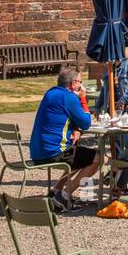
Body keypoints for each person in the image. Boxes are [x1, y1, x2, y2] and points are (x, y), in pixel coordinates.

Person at [29, 66, 99, 212]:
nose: (81, 85)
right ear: (73, 84)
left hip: (38, 151)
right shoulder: (70, 97)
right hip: (54, 153)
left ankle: (56, 190)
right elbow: (86, 122)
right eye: (80, 82)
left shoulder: (50, 93)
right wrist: (83, 99)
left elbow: (61, 116)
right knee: (99, 158)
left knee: (77, 155)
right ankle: (64, 196)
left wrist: (75, 128)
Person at [96, 36, 128, 116]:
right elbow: (104, 89)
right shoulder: (110, 67)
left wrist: (123, 100)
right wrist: (98, 107)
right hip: (113, 109)